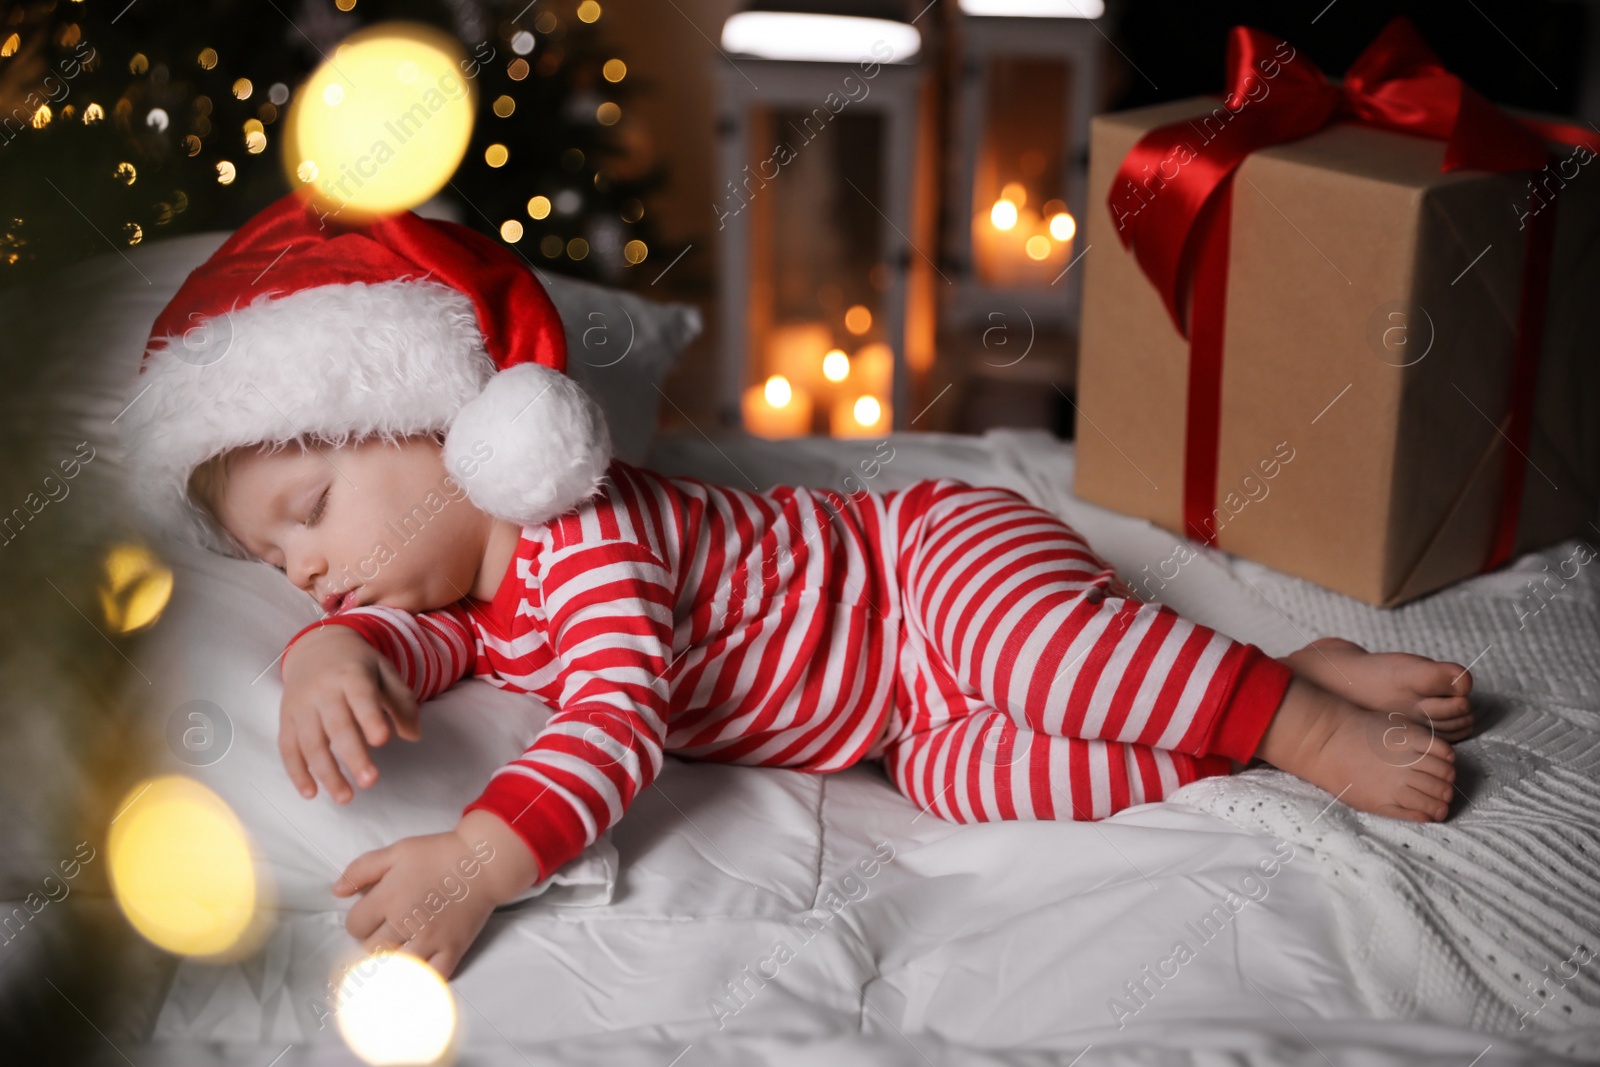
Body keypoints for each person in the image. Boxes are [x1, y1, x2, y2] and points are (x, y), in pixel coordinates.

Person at [120, 193, 1472, 980]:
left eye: (308, 514)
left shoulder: (583, 541)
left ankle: (1301, 719)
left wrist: (483, 859)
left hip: (921, 570)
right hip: (891, 723)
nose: (305, 569)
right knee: (988, 776)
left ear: (456, 426)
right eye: (276, 560)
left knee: (1043, 660)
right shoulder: (464, 608)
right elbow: (398, 644)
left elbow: (615, 722)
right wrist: (322, 659)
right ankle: (1252, 704)